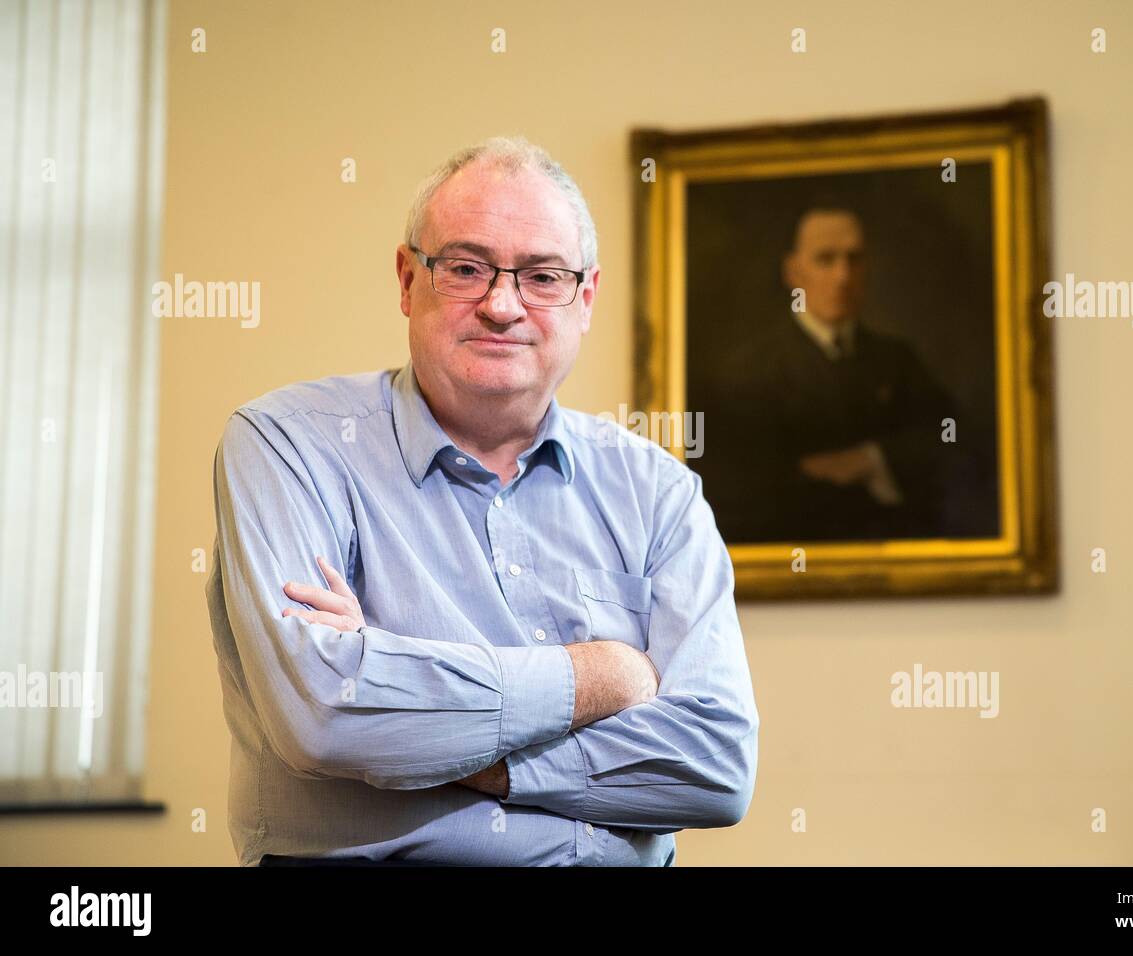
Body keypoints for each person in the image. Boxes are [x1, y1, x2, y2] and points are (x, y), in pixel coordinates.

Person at [205, 136, 759, 867]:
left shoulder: (657, 492)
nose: (502, 305)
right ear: (408, 281)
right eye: (466, 268)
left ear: (584, 298)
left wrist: (438, 726)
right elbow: (324, 714)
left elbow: (714, 766)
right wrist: (607, 676)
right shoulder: (289, 446)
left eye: (542, 276)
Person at [703, 204, 959, 543]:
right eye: (826, 259)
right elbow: (740, 485)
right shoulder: (749, 368)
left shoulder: (897, 360)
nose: (843, 276)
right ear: (793, 272)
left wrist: (871, 460)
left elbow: (953, 444)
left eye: (854, 259)